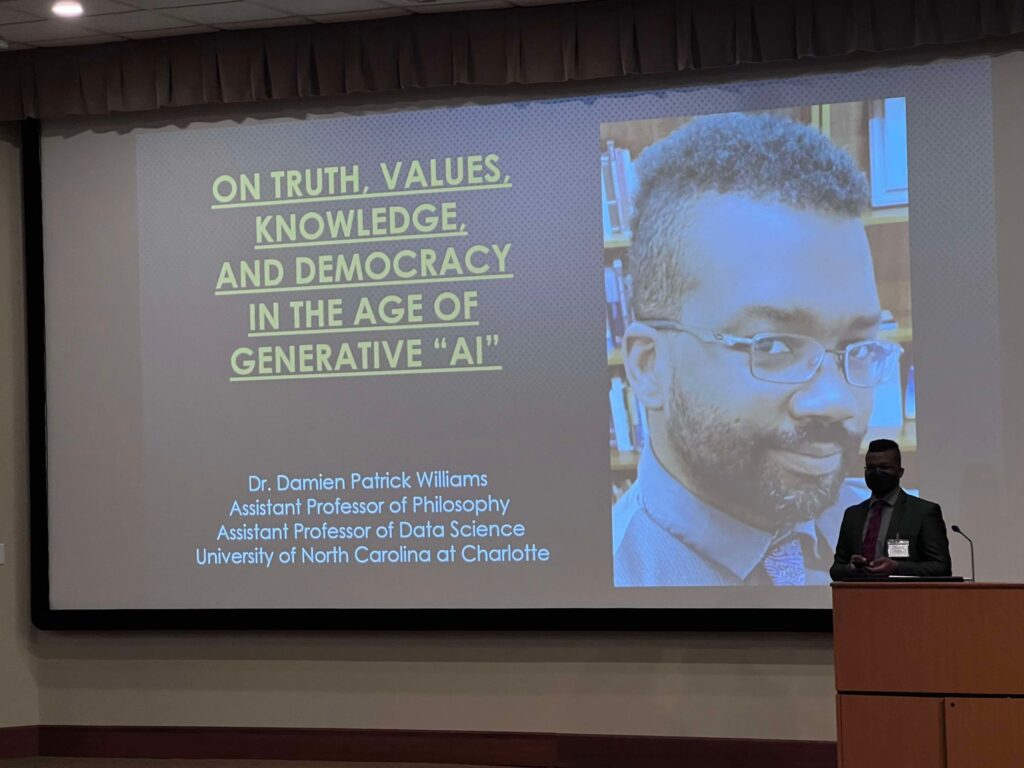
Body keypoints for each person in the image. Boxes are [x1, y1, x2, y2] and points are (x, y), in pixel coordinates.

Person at [613, 112, 904, 587]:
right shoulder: (616, 577)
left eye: (858, 345)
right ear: (650, 367)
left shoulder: (895, 531)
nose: (837, 401)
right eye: (773, 345)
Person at [829, 439, 951, 578]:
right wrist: (850, 569)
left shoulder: (924, 512)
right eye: (871, 468)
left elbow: (941, 567)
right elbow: (836, 569)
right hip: (860, 596)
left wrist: (897, 568)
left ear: (900, 472)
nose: (877, 472)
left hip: (906, 597)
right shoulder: (853, 514)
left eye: (884, 467)